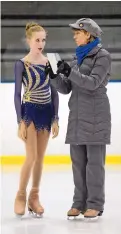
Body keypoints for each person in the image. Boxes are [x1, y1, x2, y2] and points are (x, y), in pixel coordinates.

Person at [47, 18, 111, 219]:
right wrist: (55, 76)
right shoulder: (77, 60)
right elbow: (66, 88)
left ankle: (95, 204)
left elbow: (92, 83)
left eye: (77, 32)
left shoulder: (103, 56)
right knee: (78, 163)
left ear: (88, 34)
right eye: (74, 33)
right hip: (77, 118)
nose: (74, 36)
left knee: (94, 165)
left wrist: (69, 72)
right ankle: (79, 203)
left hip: (95, 117)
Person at [14, 22, 59, 216]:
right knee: (31, 156)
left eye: (43, 40)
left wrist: (56, 117)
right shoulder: (21, 64)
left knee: (40, 159)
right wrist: (19, 121)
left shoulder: (50, 62)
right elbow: (17, 94)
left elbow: (55, 92)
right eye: (37, 40)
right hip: (29, 112)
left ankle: (34, 197)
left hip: (47, 111)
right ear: (29, 41)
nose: (41, 43)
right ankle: (20, 196)